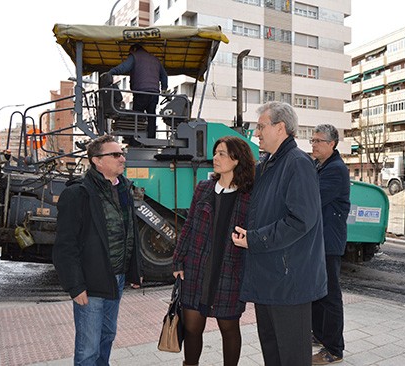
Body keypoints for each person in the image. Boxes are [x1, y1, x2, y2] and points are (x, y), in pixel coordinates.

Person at [232, 101, 327, 366]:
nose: (257, 133)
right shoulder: (269, 164)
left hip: (289, 281)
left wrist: (255, 238)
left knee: (292, 357)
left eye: (261, 127)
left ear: (281, 127)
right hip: (271, 277)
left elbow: (300, 220)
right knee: (273, 354)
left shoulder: (297, 164)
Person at [52, 135, 141, 366]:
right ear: (97, 161)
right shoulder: (78, 193)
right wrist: (75, 286)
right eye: (115, 154)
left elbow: (129, 233)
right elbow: (65, 245)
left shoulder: (124, 190)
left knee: (107, 337)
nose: (122, 158)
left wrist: (133, 271)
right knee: (88, 348)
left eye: (122, 154)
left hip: (116, 279)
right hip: (90, 283)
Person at [173, 136, 255, 366]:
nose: (215, 158)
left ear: (236, 159)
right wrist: (178, 260)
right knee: (192, 327)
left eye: (222, 154)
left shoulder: (249, 194)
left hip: (229, 268)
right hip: (197, 266)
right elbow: (189, 225)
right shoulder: (204, 188)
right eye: (215, 152)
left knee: (228, 327)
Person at [310, 124, 351, 365]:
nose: (313, 144)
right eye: (312, 140)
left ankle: (334, 349)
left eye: (318, 141)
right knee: (317, 292)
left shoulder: (335, 170)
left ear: (332, 144)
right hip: (319, 241)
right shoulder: (320, 165)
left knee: (330, 296)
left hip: (328, 242)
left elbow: (313, 198)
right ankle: (320, 335)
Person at [106, 44, 168, 138]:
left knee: (137, 116)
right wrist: (164, 88)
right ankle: (151, 138)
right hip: (154, 92)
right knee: (151, 115)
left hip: (141, 91)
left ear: (133, 50)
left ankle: (136, 139)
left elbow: (124, 67)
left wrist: (111, 72)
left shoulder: (135, 56)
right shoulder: (155, 59)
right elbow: (164, 75)